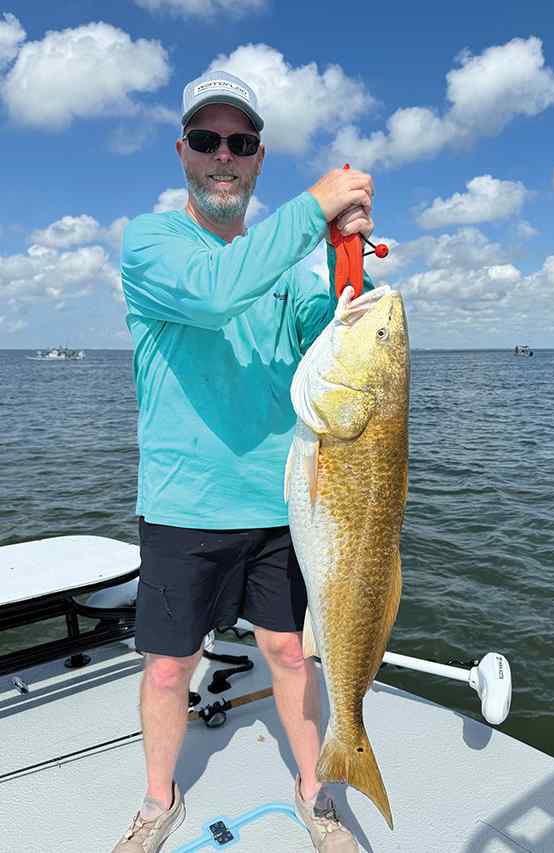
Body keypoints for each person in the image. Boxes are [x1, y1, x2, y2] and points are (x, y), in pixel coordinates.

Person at [112, 70, 375, 853]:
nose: (224, 155)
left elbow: (325, 338)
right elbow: (216, 291)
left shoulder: (285, 262)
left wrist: (344, 254)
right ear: (183, 153)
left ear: (258, 159)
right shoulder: (150, 243)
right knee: (168, 669)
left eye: (242, 142)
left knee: (291, 651)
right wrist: (315, 206)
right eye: (207, 139)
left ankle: (315, 792)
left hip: (279, 505)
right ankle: (158, 801)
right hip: (182, 507)